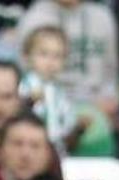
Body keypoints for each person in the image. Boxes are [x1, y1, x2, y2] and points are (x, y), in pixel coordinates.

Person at [18, 25, 88, 154]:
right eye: (43, 54)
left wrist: (78, 128)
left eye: (57, 56)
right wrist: (29, 101)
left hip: (56, 154)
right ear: (27, 56)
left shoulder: (61, 94)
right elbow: (14, 115)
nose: (50, 61)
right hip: (28, 151)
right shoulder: (22, 86)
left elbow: (65, 130)